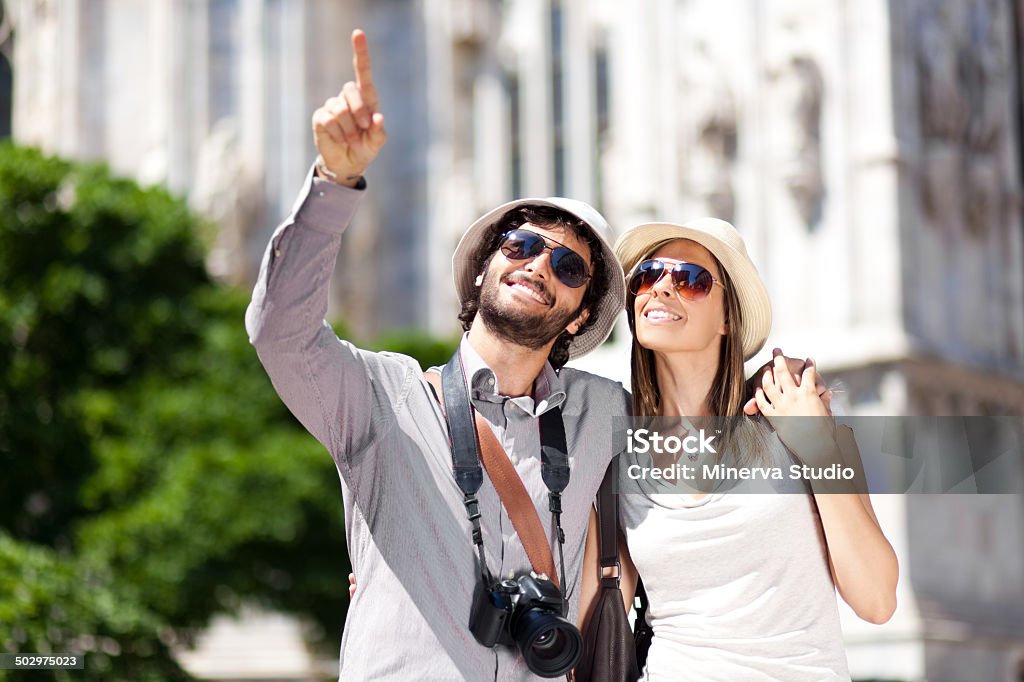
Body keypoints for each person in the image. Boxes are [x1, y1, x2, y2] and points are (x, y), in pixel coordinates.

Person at [248, 29, 821, 681]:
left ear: (581, 310)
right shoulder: (381, 398)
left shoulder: (606, 413)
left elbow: (709, 449)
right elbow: (279, 332)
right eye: (519, 245)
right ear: (485, 267)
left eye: (569, 264)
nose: (539, 263)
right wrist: (335, 181)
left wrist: (796, 411)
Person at [579, 219, 899, 681]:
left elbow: (876, 599)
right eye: (648, 275)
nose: (663, 288)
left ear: (728, 319)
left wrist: (819, 448)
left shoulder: (794, 417)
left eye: (690, 281)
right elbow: (597, 611)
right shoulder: (621, 456)